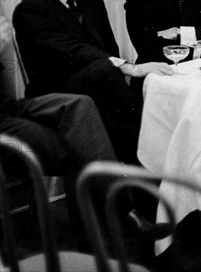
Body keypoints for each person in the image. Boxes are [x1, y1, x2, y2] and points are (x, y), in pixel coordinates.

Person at [12, 0, 173, 165]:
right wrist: (130, 68)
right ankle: (140, 172)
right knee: (106, 72)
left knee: (130, 82)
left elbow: (110, 50)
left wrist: (125, 69)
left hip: (102, 85)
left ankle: (145, 170)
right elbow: (74, 50)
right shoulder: (30, 9)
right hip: (58, 97)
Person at [0, 15, 167, 242]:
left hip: (11, 106)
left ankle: (123, 213)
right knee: (78, 138)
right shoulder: (32, 10)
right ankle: (124, 213)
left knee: (81, 104)